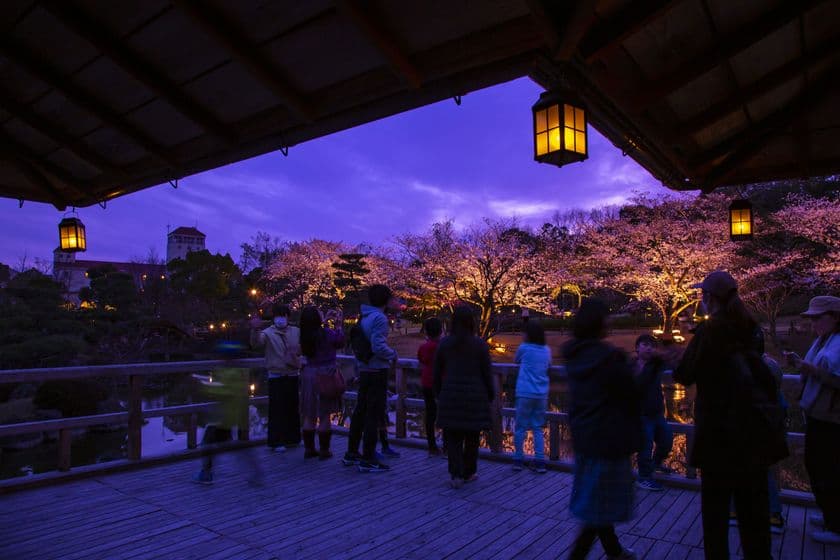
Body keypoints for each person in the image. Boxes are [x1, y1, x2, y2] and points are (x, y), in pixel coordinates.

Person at [674, 271, 788, 560]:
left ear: (709, 298)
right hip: (754, 435)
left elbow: (684, 373)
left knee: (716, 517)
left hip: (719, 438)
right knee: (755, 517)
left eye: (703, 295)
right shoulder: (751, 328)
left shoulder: (712, 331)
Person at [563, 298, 639, 560]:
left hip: (584, 434)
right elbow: (630, 394)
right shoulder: (609, 359)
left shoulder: (574, 356)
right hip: (607, 437)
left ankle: (614, 550)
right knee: (597, 507)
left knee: (597, 498)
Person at [785, 295, 840, 545]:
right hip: (818, 414)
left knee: (827, 469)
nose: (813, 323)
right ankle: (830, 514)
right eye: (812, 318)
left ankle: (836, 524)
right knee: (817, 466)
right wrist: (800, 364)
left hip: (832, 418)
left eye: (818, 317)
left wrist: (809, 370)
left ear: (835, 317)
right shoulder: (823, 341)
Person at [434, 305, 494, 489]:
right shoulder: (480, 345)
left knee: (453, 437)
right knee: (472, 437)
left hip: (451, 394)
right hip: (475, 396)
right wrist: (490, 394)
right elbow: (487, 373)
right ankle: (469, 472)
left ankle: (455, 474)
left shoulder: (445, 344)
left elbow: (437, 373)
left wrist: (439, 393)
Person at [343, 284, 398, 472]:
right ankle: (368, 457)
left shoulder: (364, 316)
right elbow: (378, 346)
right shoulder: (380, 318)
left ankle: (352, 452)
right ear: (385, 300)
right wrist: (393, 354)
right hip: (376, 370)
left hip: (364, 369)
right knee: (373, 414)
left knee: (360, 411)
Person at [192, 341, 263, 485]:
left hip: (224, 417)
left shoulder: (229, 372)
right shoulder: (240, 371)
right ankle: (255, 471)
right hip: (230, 415)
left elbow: (223, 391)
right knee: (231, 445)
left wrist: (204, 386)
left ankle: (206, 474)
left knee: (210, 443)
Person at [250, 303, 301, 452]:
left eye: (283, 316)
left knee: (292, 408)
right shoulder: (267, 333)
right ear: (274, 318)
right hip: (276, 375)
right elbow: (256, 343)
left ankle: (293, 438)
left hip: (292, 374)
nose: (280, 319)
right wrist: (255, 328)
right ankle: (276, 441)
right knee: (276, 410)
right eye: (278, 316)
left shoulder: (296, 331)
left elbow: (302, 346)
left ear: (288, 317)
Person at [299, 306, 345, 460]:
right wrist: (338, 325)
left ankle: (309, 449)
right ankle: (324, 450)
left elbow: (315, 334)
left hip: (309, 374)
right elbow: (339, 342)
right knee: (324, 414)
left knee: (309, 413)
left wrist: (324, 321)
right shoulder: (326, 333)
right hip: (326, 374)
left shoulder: (304, 335)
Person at [633, 334, 673, 491]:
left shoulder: (656, 364)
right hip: (641, 414)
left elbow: (671, 360)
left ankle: (655, 465)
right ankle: (644, 477)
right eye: (645, 344)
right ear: (637, 347)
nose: (649, 348)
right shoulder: (630, 366)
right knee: (645, 446)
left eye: (651, 345)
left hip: (657, 412)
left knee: (666, 440)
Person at [512, 321, 551, 473]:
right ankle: (540, 461)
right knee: (538, 428)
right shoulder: (546, 350)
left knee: (520, 427)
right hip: (541, 393)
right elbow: (549, 365)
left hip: (525, 391)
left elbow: (516, 360)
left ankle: (518, 460)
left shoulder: (524, 348)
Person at [418, 317, 443, 456]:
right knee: (445, 413)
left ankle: (432, 445)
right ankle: (447, 445)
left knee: (430, 414)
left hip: (426, 382)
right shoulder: (442, 346)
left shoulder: (424, 347)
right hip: (441, 383)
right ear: (441, 330)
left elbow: (421, 359)